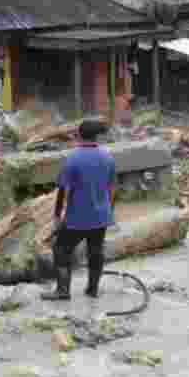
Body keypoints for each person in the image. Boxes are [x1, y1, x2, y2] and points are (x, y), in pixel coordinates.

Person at [42, 119, 116, 301]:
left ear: (78, 135)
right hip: (101, 216)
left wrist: (57, 216)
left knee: (60, 250)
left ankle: (62, 291)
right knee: (96, 250)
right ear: (97, 136)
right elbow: (112, 188)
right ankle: (92, 290)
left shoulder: (72, 159)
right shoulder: (108, 156)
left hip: (78, 217)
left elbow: (63, 190)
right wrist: (108, 211)